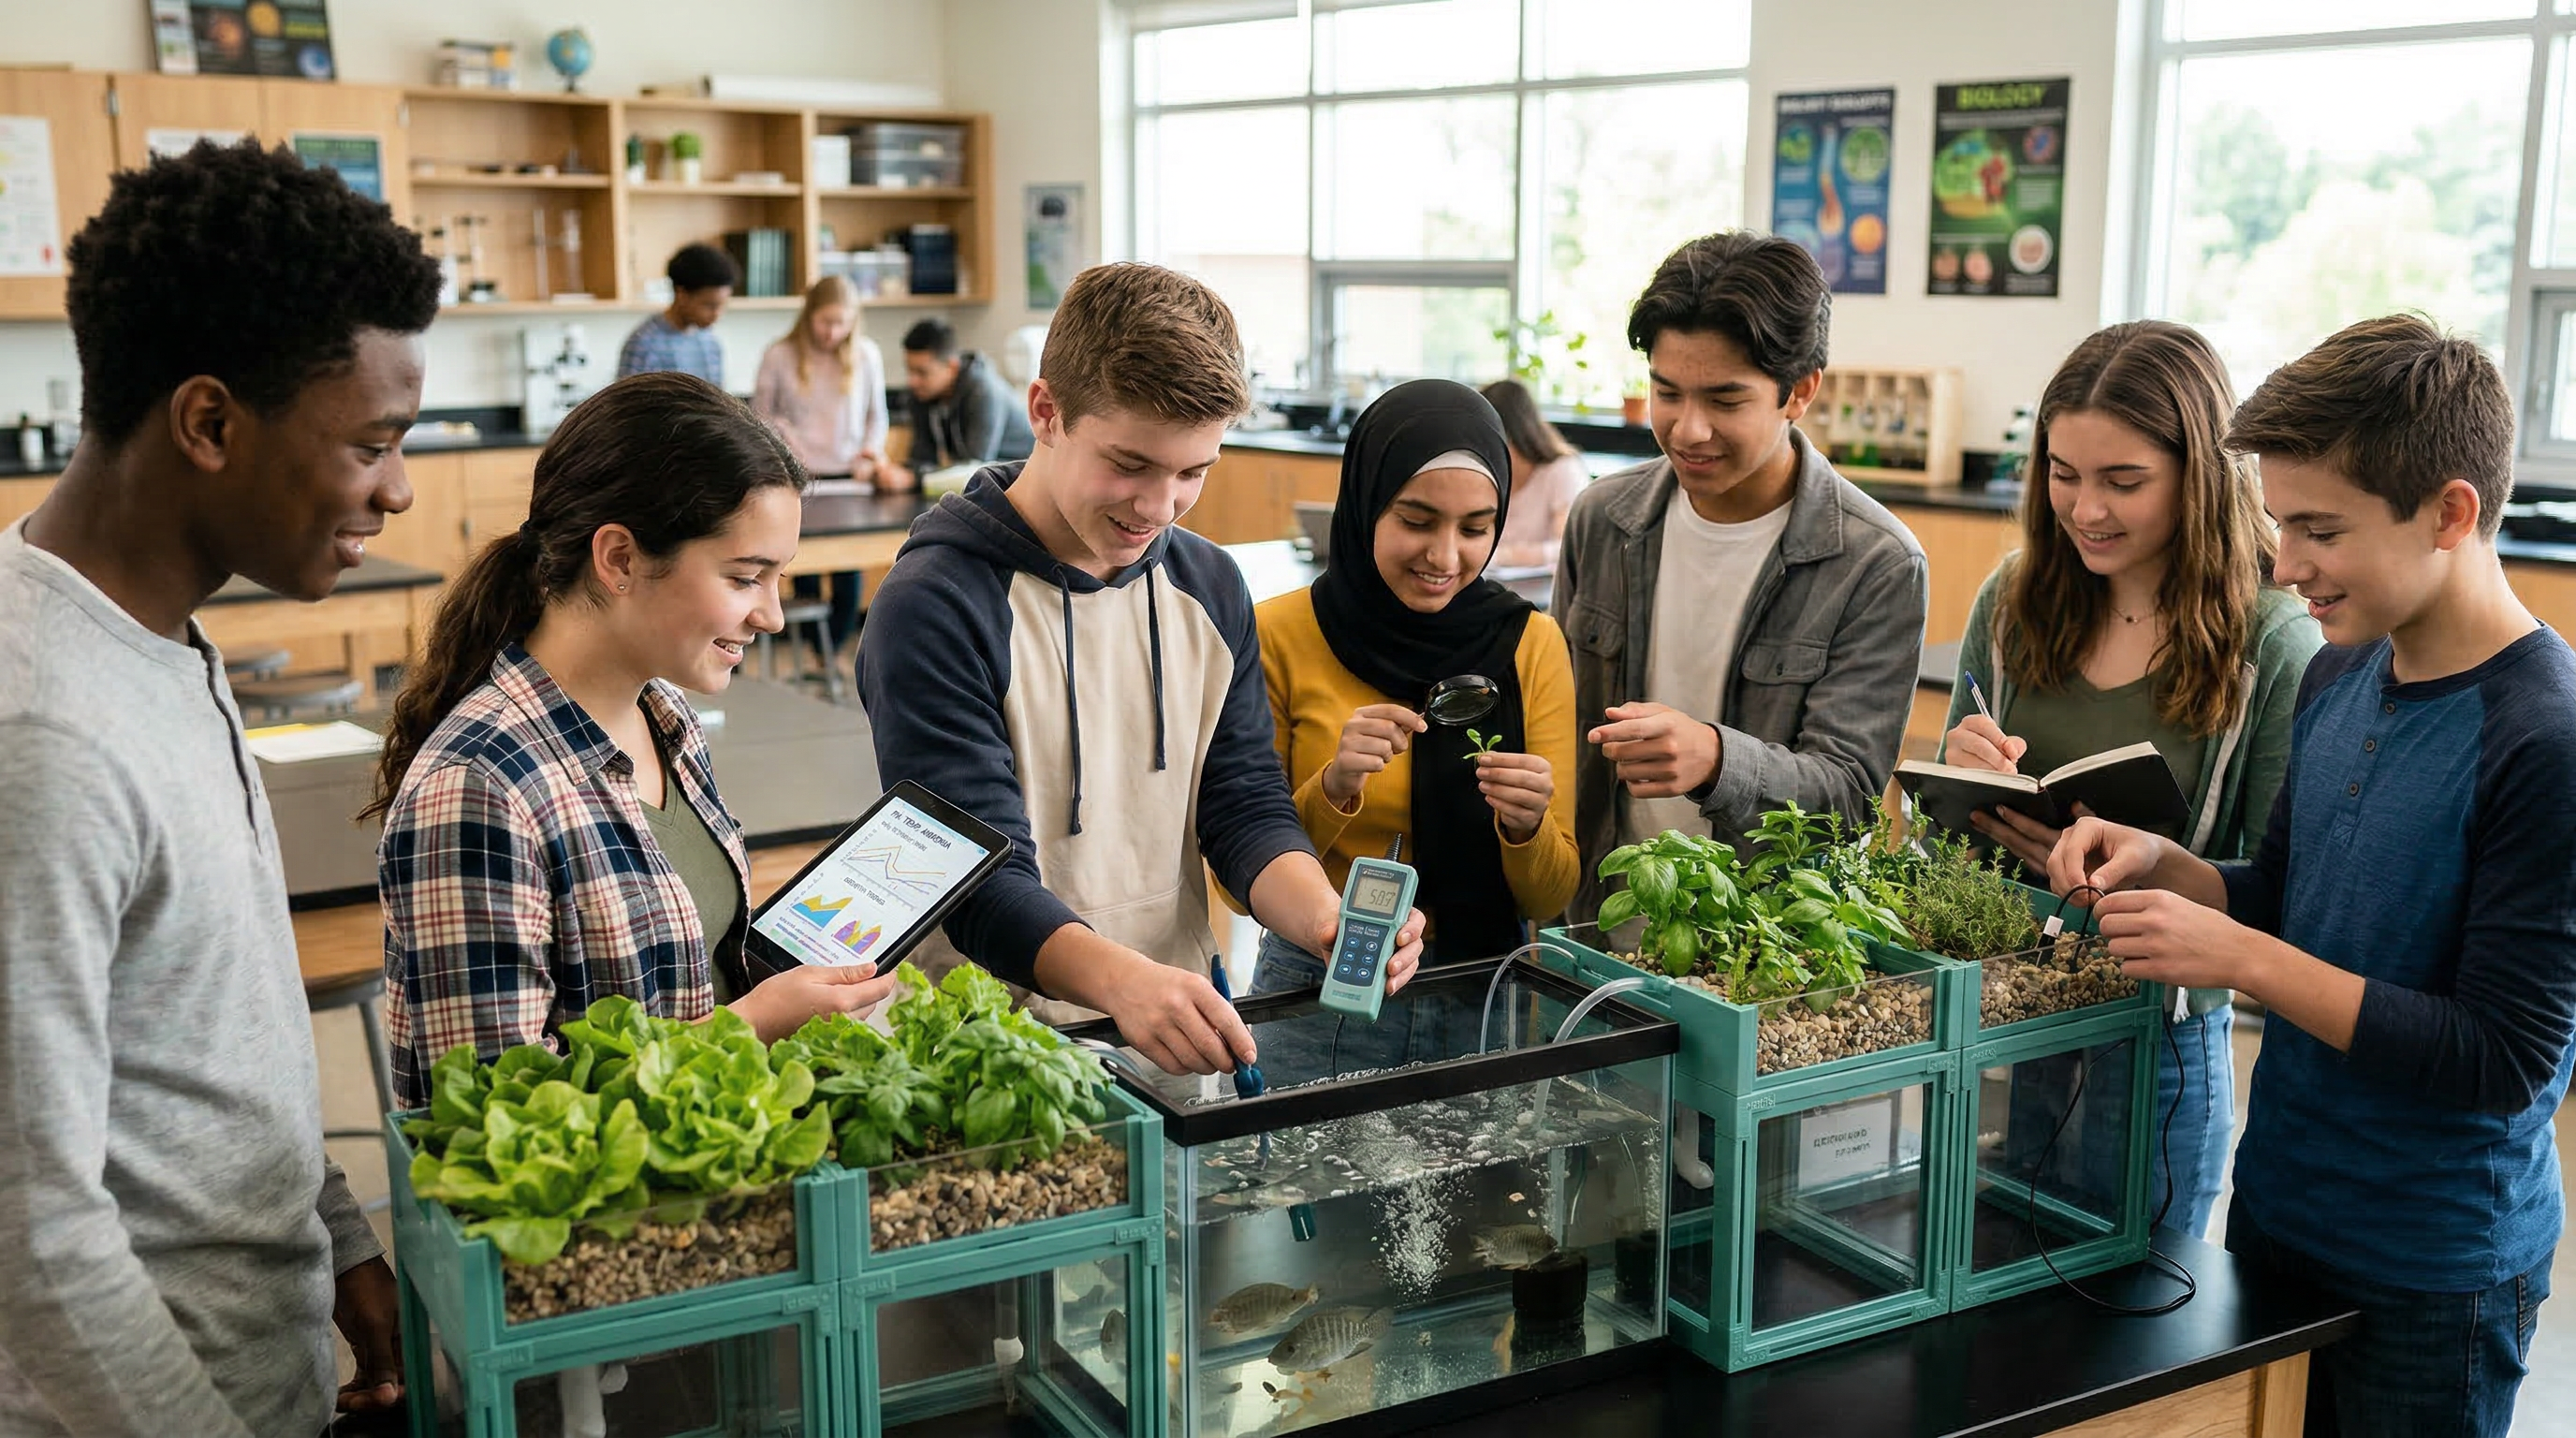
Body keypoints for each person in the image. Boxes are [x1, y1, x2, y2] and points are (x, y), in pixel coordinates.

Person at [2048, 315, 2576, 1438]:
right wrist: (2178, 870)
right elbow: (2288, 891)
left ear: (2450, 513)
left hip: (2434, 1264)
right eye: (2281, 523)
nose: (2284, 566)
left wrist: (2238, 957)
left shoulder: (2544, 738)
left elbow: (2500, 1060)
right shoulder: (2339, 674)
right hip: (2282, 1213)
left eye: (2319, 530)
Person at [0, 138, 433, 1437]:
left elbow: (201, 1020)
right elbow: (32, 1229)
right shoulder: (42, 732)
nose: (399, 489)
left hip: (269, 1367)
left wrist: (335, 1232)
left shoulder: (160, 637)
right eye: (370, 444)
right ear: (207, 423)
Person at [858, 262, 1426, 1078]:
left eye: (1193, 472)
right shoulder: (934, 604)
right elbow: (975, 881)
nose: (1158, 509)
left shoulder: (1207, 583)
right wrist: (1127, 983)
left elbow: (1240, 804)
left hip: (1171, 1024)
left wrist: (1322, 918)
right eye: (1129, 465)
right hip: (985, 1052)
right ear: (1046, 412)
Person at [372, 373, 899, 1109]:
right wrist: (751, 1027)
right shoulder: (479, 788)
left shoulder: (664, 716)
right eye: (746, 577)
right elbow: (491, 1115)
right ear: (619, 558)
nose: (773, 616)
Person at [1934, 320, 2323, 1240]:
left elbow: (2278, 892)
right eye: (2063, 475)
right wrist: (1954, 776)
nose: (2085, 510)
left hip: (2161, 1043)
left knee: (2138, 1324)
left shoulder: (2273, 641)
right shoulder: (2014, 598)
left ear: (2201, 475)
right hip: (2001, 1016)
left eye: (2123, 481)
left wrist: (2150, 865)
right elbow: (1939, 838)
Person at [1555, 230, 1926, 917]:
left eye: (1725, 402)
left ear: (1800, 391)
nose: (1689, 430)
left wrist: (1716, 760)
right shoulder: (1602, 520)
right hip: (1590, 928)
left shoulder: (1874, 562)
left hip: (1759, 953)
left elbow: (1848, 798)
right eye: (1667, 393)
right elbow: (1552, 728)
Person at [1254, 378, 1579, 993]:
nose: (1445, 556)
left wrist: (1526, 826)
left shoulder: (1530, 643)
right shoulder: (1281, 633)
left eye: (1476, 528)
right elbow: (1237, 876)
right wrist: (1335, 785)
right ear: (1366, 500)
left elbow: (1551, 892)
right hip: (1322, 973)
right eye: (1417, 520)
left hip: (1485, 988)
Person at [754, 275, 904, 659]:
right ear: (808, 316)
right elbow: (760, 416)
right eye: (825, 322)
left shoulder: (866, 354)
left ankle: (830, 649)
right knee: (801, 566)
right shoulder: (779, 355)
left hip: (850, 480)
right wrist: (785, 443)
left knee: (847, 569)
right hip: (797, 480)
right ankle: (812, 646)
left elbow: (877, 416)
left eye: (842, 323)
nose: (832, 332)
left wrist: (871, 453)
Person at [899, 315, 1034, 479]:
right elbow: (922, 458)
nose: (912, 381)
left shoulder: (983, 390)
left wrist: (914, 478)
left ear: (952, 366)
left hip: (1024, 481)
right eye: (910, 371)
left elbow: (975, 469)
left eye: (922, 372)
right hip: (991, 484)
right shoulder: (922, 395)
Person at [1479, 377, 1588, 569]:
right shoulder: (1485, 474)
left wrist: (1501, 556)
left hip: (1542, 591)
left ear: (1516, 433)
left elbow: (1567, 547)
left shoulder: (1562, 470)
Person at [616, 242, 736, 383]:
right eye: (710, 305)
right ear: (682, 295)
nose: (717, 315)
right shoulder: (644, 344)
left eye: (722, 305)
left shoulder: (710, 343)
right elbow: (625, 403)